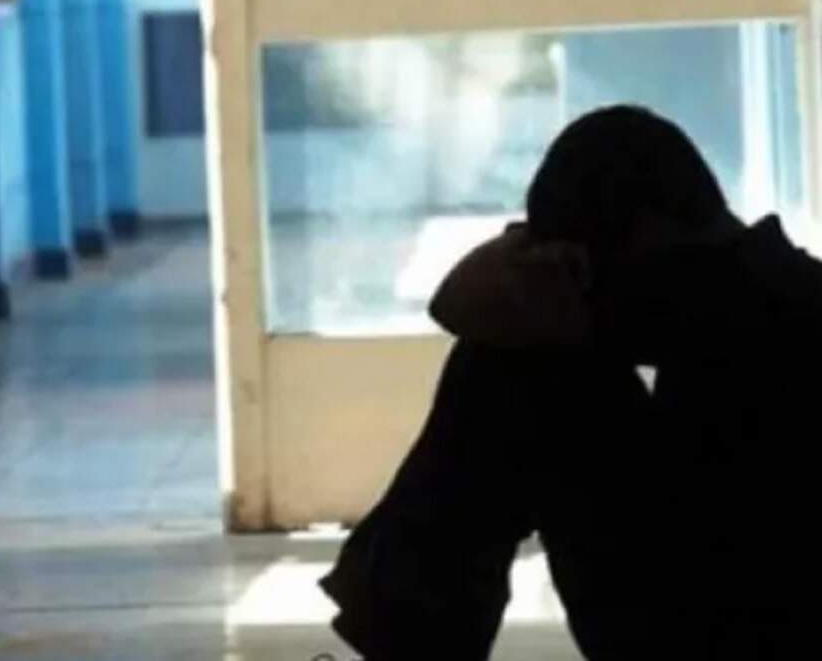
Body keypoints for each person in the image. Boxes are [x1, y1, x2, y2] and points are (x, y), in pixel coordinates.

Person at [319, 106, 820, 660]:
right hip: (700, 610)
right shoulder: (721, 286)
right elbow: (461, 299)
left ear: (650, 234)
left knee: (517, 365)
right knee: (515, 348)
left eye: (582, 271)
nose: (577, 290)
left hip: (735, 630)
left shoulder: (775, 324)